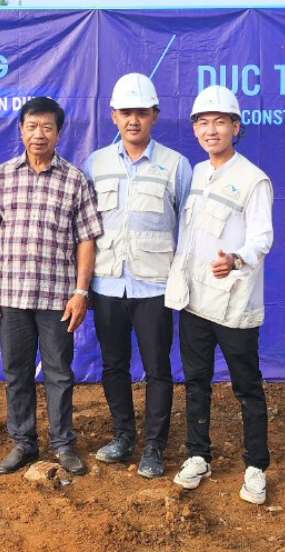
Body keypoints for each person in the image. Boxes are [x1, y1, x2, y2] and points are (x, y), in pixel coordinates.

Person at [0, 96, 103, 476]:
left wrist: (80, 292)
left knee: (59, 372)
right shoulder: (1, 177)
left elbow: (86, 239)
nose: (39, 134)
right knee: (16, 371)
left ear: (59, 133)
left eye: (47, 127)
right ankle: (23, 442)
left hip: (58, 297)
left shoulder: (75, 180)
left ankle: (62, 444)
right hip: (11, 296)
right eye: (32, 126)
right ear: (21, 130)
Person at [165, 85, 274, 505]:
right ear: (195, 129)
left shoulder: (252, 179)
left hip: (234, 303)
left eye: (220, 122)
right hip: (194, 301)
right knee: (196, 382)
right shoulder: (195, 173)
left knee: (247, 386)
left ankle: (256, 466)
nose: (211, 130)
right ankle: (198, 456)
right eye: (203, 123)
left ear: (236, 127)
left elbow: (262, 238)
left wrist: (236, 259)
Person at [83, 73, 191, 478]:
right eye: (126, 112)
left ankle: (154, 447)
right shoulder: (95, 164)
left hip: (154, 286)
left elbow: (189, 228)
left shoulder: (176, 165)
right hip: (107, 283)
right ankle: (123, 436)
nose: (133, 120)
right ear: (113, 116)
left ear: (154, 116)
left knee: (157, 368)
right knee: (113, 365)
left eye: (141, 113)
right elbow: (84, 228)